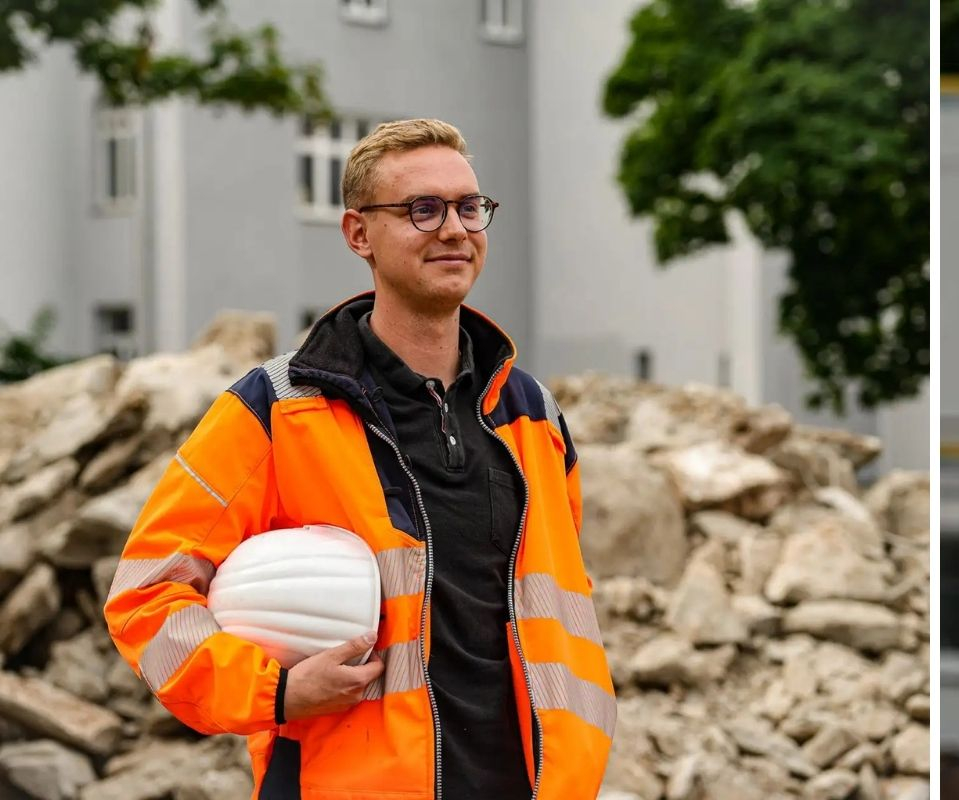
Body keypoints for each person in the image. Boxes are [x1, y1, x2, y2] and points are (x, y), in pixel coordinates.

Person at [105, 118, 612, 798]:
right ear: (358, 233)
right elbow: (146, 594)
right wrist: (277, 692)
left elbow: (558, 606)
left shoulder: (532, 415)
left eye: (469, 207)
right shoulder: (278, 408)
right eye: (422, 210)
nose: (454, 230)